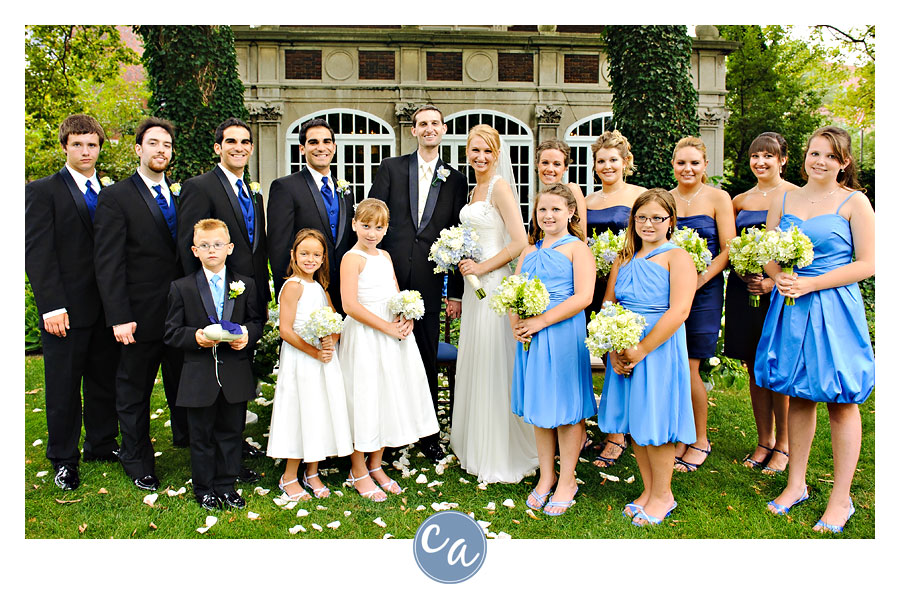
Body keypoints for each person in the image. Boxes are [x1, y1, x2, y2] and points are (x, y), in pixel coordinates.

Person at [757, 126, 874, 533]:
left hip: (834, 306)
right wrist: (778, 274)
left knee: (841, 398)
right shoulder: (784, 198)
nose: (820, 161)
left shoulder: (854, 202)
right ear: (804, 156)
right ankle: (796, 485)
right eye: (814, 153)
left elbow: (868, 263)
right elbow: (768, 252)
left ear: (844, 163)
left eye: (830, 155)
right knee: (798, 394)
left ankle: (841, 499)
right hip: (791, 304)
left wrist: (811, 283)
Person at [367, 105, 468, 462]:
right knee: (388, 352)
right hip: (389, 275)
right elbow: (373, 216)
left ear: (443, 130)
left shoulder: (455, 179)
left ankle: (427, 434)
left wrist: (455, 292)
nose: (429, 129)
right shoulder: (391, 168)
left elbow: (458, 235)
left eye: (435, 123)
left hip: (430, 279)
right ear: (413, 130)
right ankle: (390, 434)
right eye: (422, 124)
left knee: (425, 353)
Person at [25, 114, 120, 491]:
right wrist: (51, 306)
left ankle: (101, 443)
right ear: (65, 146)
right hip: (64, 310)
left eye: (92, 144)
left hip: (106, 308)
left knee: (103, 381)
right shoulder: (43, 191)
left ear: (99, 148)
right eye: (77, 144)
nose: (85, 151)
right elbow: (38, 253)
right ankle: (63, 458)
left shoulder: (109, 193)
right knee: (63, 387)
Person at [94, 117, 187, 491]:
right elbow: (108, 262)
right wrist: (119, 316)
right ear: (138, 149)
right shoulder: (116, 197)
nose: (161, 150)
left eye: (166, 145)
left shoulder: (181, 196)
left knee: (184, 383)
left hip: (180, 316)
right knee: (134, 391)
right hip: (137, 316)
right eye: (153, 143)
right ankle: (136, 458)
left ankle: (189, 439)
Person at [597, 189, 697, 526]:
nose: (648, 224)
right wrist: (614, 348)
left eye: (657, 217)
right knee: (636, 420)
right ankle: (649, 489)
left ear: (671, 221)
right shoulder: (623, 258)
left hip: (658, 348)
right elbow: (609, 304)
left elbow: (680, 311)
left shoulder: (677, 257)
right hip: (624, 345)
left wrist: (641, 349)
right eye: (641, 217)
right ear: (633, 220)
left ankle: (664, 495)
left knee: (656, 419)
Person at [177, 117, 272, 475]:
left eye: (245, 142)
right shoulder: (199, 187)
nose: (239, 147)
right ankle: (208, 452)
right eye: (231, 141)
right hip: (212, 299)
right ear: (218, 147)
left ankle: (232, 445)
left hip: (247, 297)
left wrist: (260, 296)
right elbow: (188, 248)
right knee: (211, 374)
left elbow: (255, 247)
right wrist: (201, 300)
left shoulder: (253, 192)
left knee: (236, 373)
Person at [450, 124, 538, 483]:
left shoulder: (499, 187)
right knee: (478, 357)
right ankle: (475, 444)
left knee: (493, 359)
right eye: (475, 150)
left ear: (497, 154)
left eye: (488, 150)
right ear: (467, 153)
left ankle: (499, 451)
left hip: (493, 285)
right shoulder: (473, 189)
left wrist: (482, 267)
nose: (481, 156)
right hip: (474, 286)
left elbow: (519, 241)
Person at [338, 199, 440, 501]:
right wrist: (385, 327)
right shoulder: (352, 258)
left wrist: (406, 315)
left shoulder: (384, 256)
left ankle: (376, 464)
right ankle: (358, 468)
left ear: (386, 229)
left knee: (385, 396)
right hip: (366, 335)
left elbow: (396, 293)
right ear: (354, 224)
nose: (371, 233)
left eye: (378, 227)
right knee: (365, 397)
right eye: (365, 226)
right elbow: (350, 305)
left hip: (392, 335)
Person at [163, 219, 263, 510]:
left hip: (234, 372)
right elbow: (171, 332)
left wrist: (247, 336)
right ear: (195, 250)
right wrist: (195, 337)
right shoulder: (181, 288)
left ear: (229, 248)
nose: (212, 250)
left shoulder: (245, 284)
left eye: (218, 245)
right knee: (201, 435)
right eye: (204, 245)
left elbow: (256, 321)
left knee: (231, 432)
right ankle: (204, 488)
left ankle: (226, 485)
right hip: (199, 375)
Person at [510, 184, 596, 515]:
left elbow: (584, 297)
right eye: (542, 209)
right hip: (530, 336)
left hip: (561, 333)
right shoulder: (528, 251)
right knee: (541, 405)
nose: (548, 215)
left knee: (566, 406)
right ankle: (547, 475)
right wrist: (516, 322)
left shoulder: (578, 249)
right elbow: (514, 290)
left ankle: (568, 480)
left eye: (556, 209)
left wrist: (541, 321)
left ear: (571, 212)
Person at [724, 132, 796, 474]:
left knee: (777, 365)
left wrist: (772, 281)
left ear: (783, 159)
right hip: (744, 290)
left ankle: (784, 444)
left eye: (769, 155)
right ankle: (764, 440)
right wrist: (743, 274)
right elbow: (730, 245)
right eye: (755, 156)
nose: (761, 162)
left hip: (780, 292)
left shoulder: (795, 196)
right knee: (754, 365)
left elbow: (804, 247)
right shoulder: (739, 201)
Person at [266, 228, 353, 501]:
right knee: (299, 412)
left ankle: (312, 472)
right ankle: (289, 475)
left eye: (316, 254)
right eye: (304, 253)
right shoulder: (293, 286)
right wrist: (314, 352)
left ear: (323, 258)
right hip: (301, 360)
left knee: (319, 412)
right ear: (293, 255)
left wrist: (331, 341)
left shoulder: (320, 288)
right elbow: (286, 330)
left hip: (323, 359)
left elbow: (335, 320)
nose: (310, 259)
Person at [669, 136, 736, 473]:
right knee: (673, 363)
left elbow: (728, 248)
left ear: (705, 165)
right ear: (673, 165)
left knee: (692, 364)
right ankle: (679, 433)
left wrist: (699, 279)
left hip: (704, 291)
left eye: (694, 163)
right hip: (668, 292)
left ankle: (699, 439)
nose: (688, 168)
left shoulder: (718, 198)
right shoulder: (665, 198)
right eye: (681, 162)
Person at [582, 130, 647, 469]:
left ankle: (624, 431)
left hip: (627, 284)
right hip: (593, 285)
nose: (607, 166)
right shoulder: (587, 202)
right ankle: (615, 427)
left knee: (625, 352)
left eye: (613, 160)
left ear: (625, 162)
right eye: (601, 160)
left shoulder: (639, 196)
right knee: (605, 353)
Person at [267, 118, 355, 314]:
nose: (321, 147)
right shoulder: (285, 187)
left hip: (343, 291)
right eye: (313, 142)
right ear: (302, 148)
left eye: (326, 142)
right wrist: (289, 293)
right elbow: (278, 247)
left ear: (334, 147)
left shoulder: (345, 191)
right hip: (305, 291)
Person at [535, 139, 586, 225]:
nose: (550, 169)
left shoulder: (572, 190)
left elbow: (582, 231)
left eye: (557, 164)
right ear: (538, 165)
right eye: (545, 163)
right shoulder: (541, 196)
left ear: (565, 168)